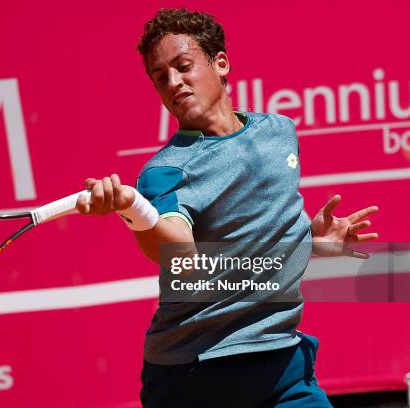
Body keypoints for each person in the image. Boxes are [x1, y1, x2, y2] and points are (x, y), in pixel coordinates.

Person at [76, 8, 378, 408]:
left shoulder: (279, 132)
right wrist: (134, 208)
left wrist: (310, 242)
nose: (174, 83)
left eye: (183, 66)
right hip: (195, 374)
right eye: (160, 77)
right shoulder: (166, 170)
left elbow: (254, 230)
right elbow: (176, 251)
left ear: (220, 63)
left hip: (280, 357)